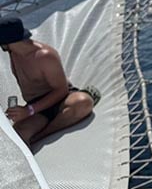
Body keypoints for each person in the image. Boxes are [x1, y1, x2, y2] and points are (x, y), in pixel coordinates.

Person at [1, 14, 98, 148]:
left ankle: (40, 136)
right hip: (38, 108)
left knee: (83, 102)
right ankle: (47, 126)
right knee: (17, 137)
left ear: (7, 42)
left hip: (61, 99)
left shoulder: (44, 56)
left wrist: (29, 111)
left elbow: (62, 90)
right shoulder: (13, 53)